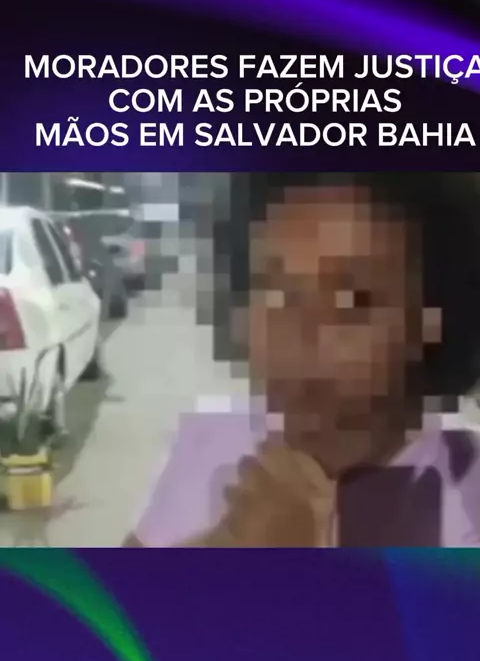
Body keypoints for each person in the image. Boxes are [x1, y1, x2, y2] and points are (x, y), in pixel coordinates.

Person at [125, 172, 480, 548]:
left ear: (427, 323)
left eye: (353, 300)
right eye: (274, 289)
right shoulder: (212, 439)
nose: (299, 334)